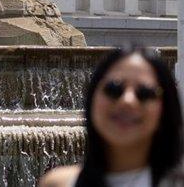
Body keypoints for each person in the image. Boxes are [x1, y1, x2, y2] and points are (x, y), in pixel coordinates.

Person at [40, 46, 184, 187]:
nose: (127, 100)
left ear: (166, 108)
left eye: (145, 93)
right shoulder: (58, 183)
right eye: (113, 89)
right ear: (92, 98)